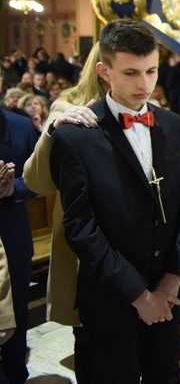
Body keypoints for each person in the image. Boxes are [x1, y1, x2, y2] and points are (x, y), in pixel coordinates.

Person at [48, 19, 180, 382]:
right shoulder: (75, 137)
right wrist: (138, 295)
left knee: (165, 374)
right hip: (111, 296)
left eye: (151, 71)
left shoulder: (172, 124)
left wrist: (171, 279)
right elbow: (81, 227)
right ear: (104, 71)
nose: (144, 84)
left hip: (166, 291)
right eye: (131, 72)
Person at [23, 42, 108, 383]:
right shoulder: (67, 105)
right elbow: (36, 180)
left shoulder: (140, 103)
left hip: (128, 241)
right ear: (103, 66)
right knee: (88, 341)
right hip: (85, 239)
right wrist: (53, 129)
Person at [0, 68, 39, 384]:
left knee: (18, 312)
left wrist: (15, 188)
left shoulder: (21, 125)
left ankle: (15, 373)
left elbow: (42, 179)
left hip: (12, 231)